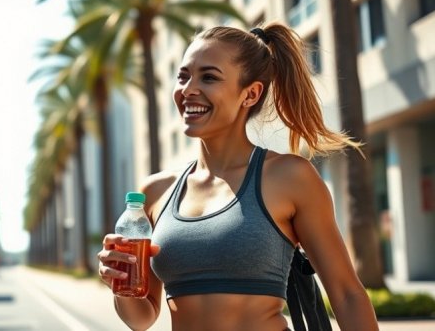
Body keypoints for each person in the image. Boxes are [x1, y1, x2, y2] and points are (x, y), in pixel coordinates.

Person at [97, 22, 379, 331]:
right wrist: (120, 283)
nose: (188, 89)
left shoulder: (289, 177)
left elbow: (347, 294)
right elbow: (142, 318)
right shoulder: (155, 192)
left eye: (209, 77)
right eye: (183, 76)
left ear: (250, 94)